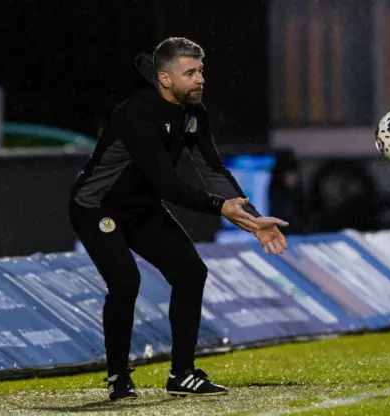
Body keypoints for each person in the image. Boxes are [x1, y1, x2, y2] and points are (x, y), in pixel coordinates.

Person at [68, 37, 288, 401]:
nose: (200, 79)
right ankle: (118, 377)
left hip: (141, 208)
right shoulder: (135, 114)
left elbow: (212, 169)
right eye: (190, 72)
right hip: (98, 209)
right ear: (165, 79)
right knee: (125, 281)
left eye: (201, 70)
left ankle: (182, 374)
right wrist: (221, 207)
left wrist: (252, 219)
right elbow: (167, 185)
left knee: (191, 272)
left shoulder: (193, 113)